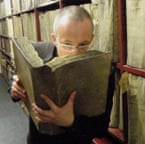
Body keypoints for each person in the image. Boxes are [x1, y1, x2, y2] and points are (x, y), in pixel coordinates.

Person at [9, 6, 115, 144]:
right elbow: (16, 75)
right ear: (54, 38)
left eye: (83, 44)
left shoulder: (103, 71)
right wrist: (14, 88)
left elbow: (101, 128)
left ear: (92, 39)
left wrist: (71, 122)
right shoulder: (36, 55)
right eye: (67, 44)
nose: (75, 53)